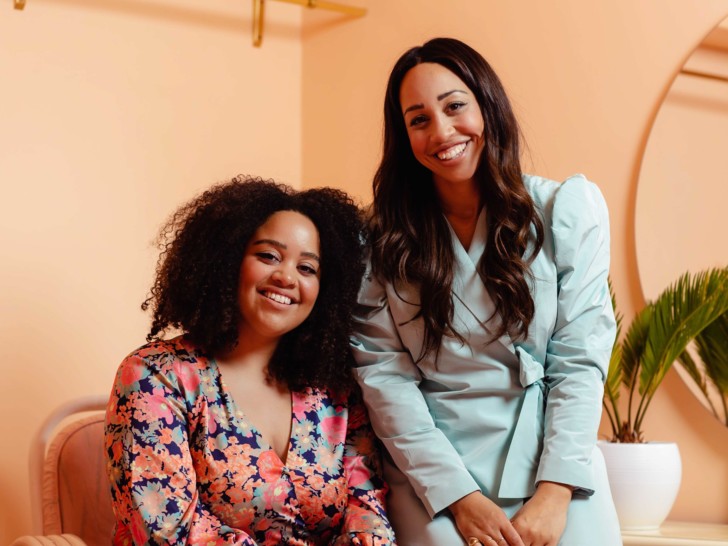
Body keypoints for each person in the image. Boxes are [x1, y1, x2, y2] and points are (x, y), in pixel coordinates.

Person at [350, 37, 622, 546]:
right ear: (403, 136)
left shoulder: (565, 210)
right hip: (435, 472)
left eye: (455, 106)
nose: (442, 131)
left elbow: (579, 361)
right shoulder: (380, 241)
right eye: (419, 119)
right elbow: (384, 376)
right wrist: (458, 498)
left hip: (555, 461)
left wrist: (556, 492)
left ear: (487, 107)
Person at [105, 175, 397, 545]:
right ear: (226, 260)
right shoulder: (156, 377)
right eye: (268, 256)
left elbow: (366, 506)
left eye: (307, 268)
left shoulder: (334, 390)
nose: (286, 276)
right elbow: (165, 533)